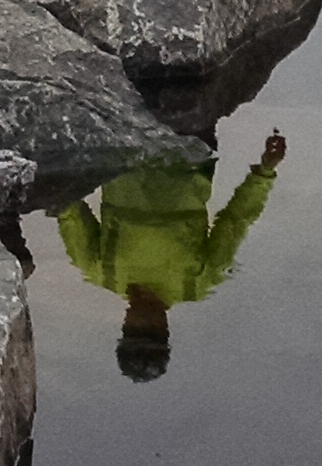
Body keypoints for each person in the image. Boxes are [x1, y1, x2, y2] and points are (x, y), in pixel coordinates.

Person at [56, 130, 285, 383]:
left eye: (134, 330)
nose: (142, 322)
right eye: (152, 331)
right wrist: (263, 174)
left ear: (124, 326)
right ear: (165, 329)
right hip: (189, 149)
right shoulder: (199, 282)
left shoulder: (98, 270)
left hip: (124, 146)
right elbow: (234, 221)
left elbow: (67, 207)